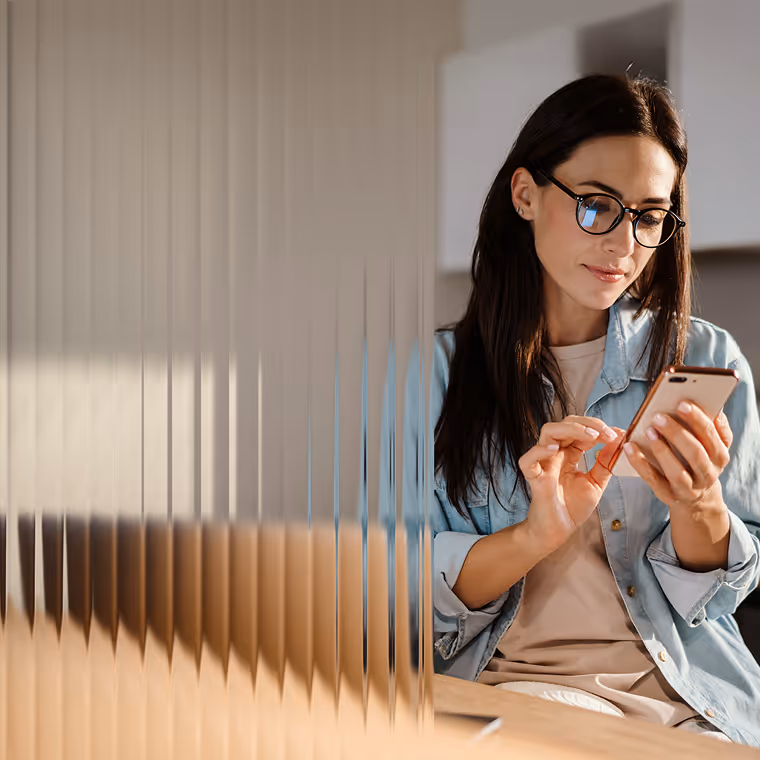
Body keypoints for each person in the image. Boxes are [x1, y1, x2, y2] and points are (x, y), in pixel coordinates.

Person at [431, 74, 760, 746]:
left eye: (648, 215)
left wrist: (699, 506)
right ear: (525, 194)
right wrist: (534, 536)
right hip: (511, 692)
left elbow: (719, 601)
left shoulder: (704, 354)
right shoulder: (434, 375)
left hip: (685, 698)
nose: (624, 244)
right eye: (595, 206)